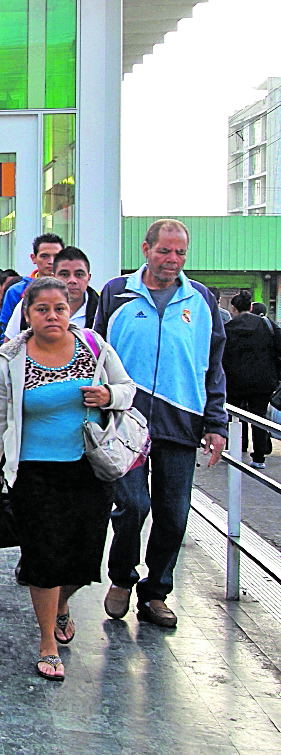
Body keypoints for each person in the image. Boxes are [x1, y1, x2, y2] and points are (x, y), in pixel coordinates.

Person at [0, 277, 136, 681]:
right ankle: (47, 641)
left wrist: (108, 397)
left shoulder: (93, 345)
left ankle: (63, 604)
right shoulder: (10, 358)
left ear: (70, 311)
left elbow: (128, 389)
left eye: (59, 309)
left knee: (82, 560)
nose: (52, 316)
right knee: (43, 557)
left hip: (88, 468)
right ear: (27, 314)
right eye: (42, 309)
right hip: (35, 473)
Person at [96, 218, 227, 629]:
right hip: (125, 421)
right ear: (146, 249)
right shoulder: (116, 294)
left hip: (181, 422)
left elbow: (213, 365)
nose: (173, 260)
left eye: (180, 252)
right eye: (165, 250)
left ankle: (155, 593)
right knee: (133, 506)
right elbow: (95, 353)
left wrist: (216, 421)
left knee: (173, 514)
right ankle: (121, 577)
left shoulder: (201, 300)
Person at [224, 291, 281, 469]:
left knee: (234, 417)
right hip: (262, 381)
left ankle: (236, 450)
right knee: (259, 417)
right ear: (250, 307)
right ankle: (259, 457)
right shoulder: (267, 325)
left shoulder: (227, 328)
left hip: (234, 381)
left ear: (232, 308)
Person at [4, 247, 101, 339]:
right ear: (53, 277)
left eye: (79, 275)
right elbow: (9, 348)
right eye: (64, 274)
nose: (72, 280)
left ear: (88, 278)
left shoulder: (101, 309)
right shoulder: (29, 304)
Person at [0, 234, 65, 331]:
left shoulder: (70, 289)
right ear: (33, 258)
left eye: (56, 256)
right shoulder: (16, 291)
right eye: (44, 256)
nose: (51, 261)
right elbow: (6, 331)